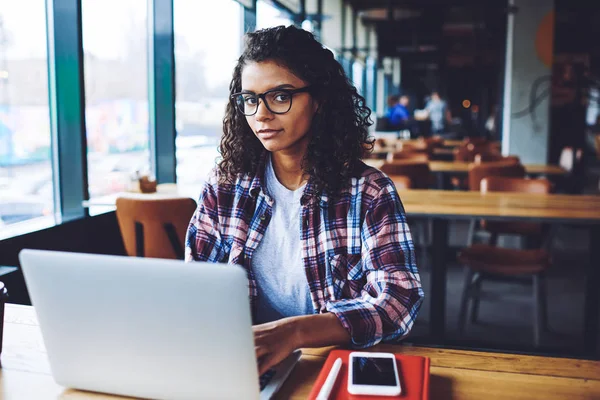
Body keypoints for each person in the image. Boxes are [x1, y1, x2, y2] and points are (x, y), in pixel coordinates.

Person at [185, 25, 423, 376]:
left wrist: (294, 332)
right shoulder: (225, 186)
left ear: (320, 100)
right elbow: (194, 287)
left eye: (280, 96)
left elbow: (398, 303)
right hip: (246, 363)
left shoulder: (369, 193)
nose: (261, 114)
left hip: (333, 363)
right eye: (250, 99)